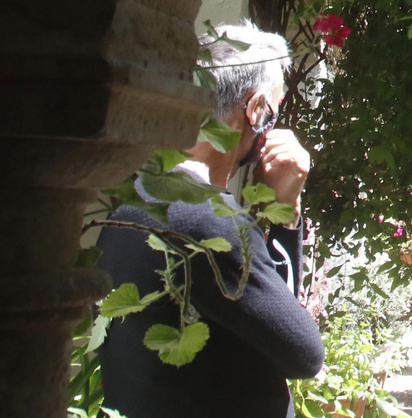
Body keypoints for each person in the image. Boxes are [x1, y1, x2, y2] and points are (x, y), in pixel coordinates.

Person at [98, 22, 324, 418]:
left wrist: (285, 214)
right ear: (256, 110)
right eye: (273, 111)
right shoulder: (211, 222)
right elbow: (305, 355)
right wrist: (285, 211)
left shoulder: (136, 201)